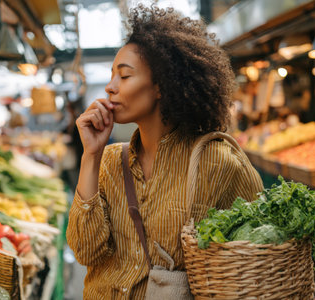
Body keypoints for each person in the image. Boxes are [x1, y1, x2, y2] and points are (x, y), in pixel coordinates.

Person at [66, 5, 263, 299]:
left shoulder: (217, 161)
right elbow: (85, 251)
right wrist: (90, 155)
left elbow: (261, 253)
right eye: (111, 76)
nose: (110, 87)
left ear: (161, 85)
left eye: (124, 76)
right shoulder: (107, 162)